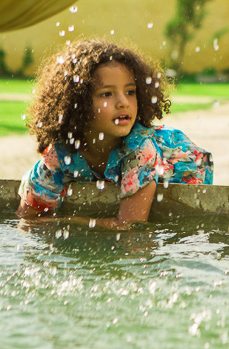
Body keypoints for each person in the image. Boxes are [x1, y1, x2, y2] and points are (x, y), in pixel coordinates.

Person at [17, 38, 213, 230]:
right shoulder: (62, 152)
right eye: (106, 94)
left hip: (181, 171)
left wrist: (67, 221)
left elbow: (128, 225)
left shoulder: (139, 150)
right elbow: (27, 218)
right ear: (78, 104)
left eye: (130, 92)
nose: (123, 103)